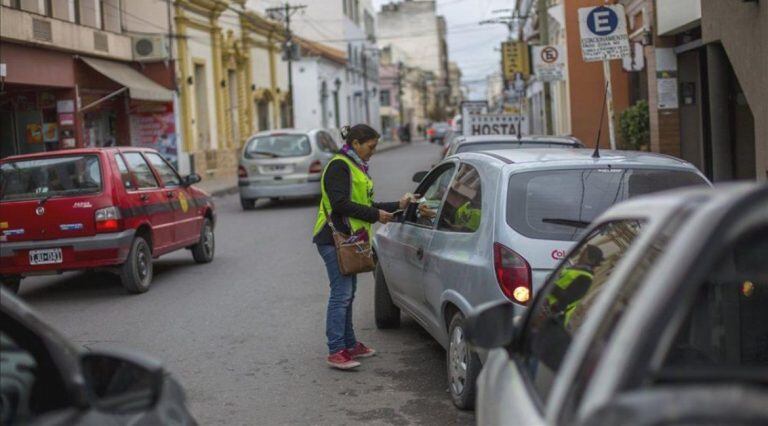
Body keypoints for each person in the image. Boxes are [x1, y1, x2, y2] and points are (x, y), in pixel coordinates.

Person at [312, 124, 418, 370]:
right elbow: (340, 204)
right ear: (356, 143)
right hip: (333, 238)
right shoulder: (339, 165)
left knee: (348, 294)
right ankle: (336, 349)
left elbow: (367, 204)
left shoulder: (357, 166)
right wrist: (375, 215)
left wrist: (398, 205)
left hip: (351, 239)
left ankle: (349, 344)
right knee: (341, 295)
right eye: (370, 146)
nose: (373, 151)